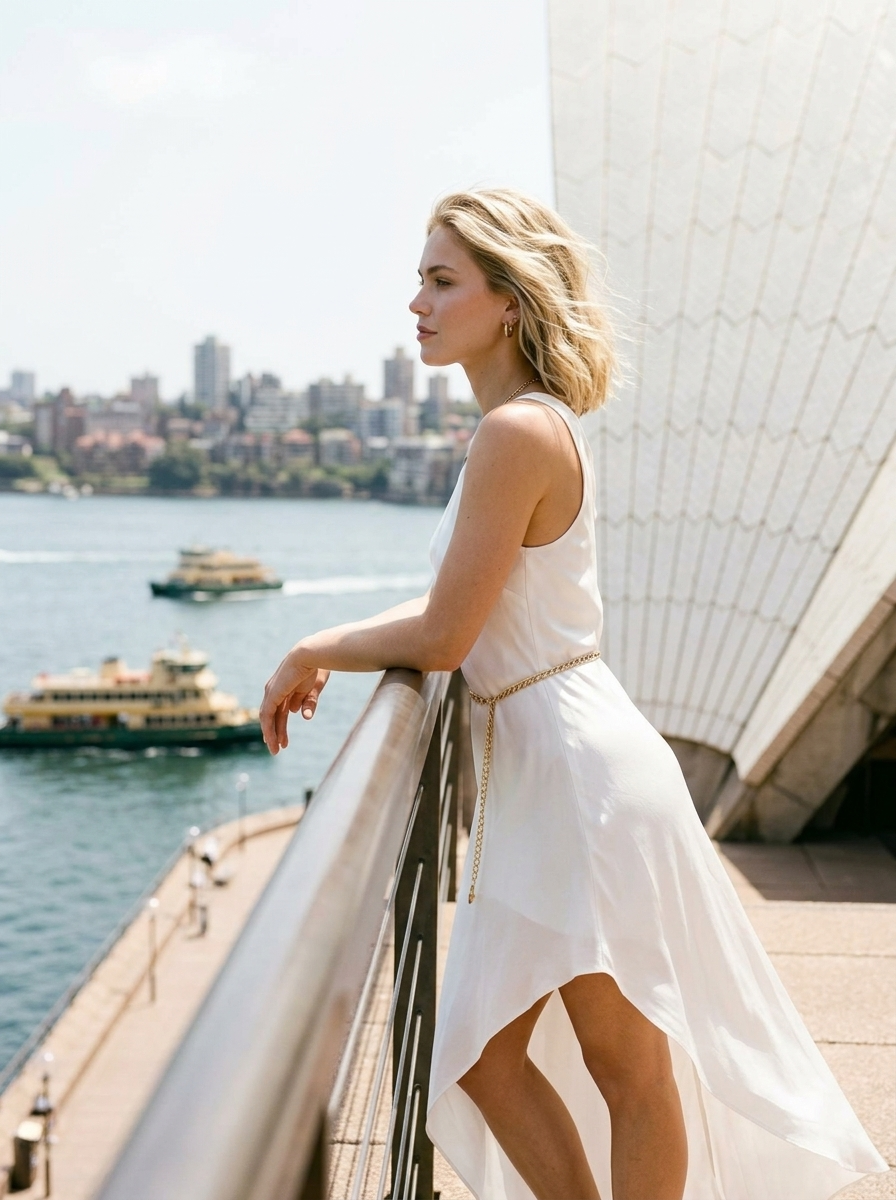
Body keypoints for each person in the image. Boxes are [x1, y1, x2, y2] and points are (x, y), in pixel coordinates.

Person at [259, 189, 887, 1200]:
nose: (413, 301)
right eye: (418, 278)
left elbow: (444, 634)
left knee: (622, 1064)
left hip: (577, 775)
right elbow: (460, 615)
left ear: (507, 300)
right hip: (547, 763)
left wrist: (312, 646)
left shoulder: (516, 434)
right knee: (483, 1054)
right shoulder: (519, 430)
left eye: (439, 279)